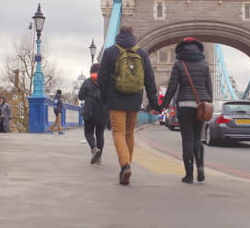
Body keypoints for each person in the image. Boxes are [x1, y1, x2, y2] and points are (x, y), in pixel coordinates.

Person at [98, 26, 159, 185]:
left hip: (115, 99)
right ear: (133, 35)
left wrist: (104, 99)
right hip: (134, 99)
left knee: (118, 132)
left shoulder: (110, 52)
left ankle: (125, 165)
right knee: (129, 133)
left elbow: (102, 78)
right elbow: (150, 80)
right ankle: (126, 166)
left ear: (118, 36)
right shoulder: (142, 53)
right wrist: (154, 103)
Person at [160, 37, 213, 184]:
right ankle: (200, 168)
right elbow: (209, 86)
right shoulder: (204, 64)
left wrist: (163, 106)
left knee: (187, 140)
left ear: (182, 49)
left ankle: (189, 175)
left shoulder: (179, 64)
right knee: (197, 138)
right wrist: (209, 103)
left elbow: (172, 87)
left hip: (184, 105)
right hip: (201, 105)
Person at [78, 63, 109, 165]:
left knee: (88, 133)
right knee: (100, 134)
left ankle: (94, 149)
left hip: (89, 111)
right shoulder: (105, 82)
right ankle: (99, 159)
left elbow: (80, 96)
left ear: (91, 71)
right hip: (103, 112)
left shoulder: (87, 81)